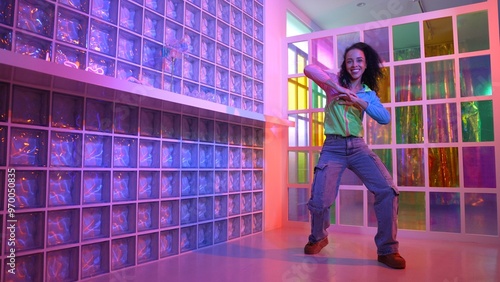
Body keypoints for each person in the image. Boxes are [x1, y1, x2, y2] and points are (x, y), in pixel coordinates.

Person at [302, 42, 406, 269]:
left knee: (387, 190)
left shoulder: (369, 93)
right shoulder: (334, 81)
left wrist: (356, 99)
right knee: (319, 199)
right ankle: (319, 237)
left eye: (359, 60)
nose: (354, 65)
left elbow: (384, 118)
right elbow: (309, 69)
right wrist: (338, 88)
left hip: (358, 148)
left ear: (365, 63)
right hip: (333, 148)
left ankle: (388, 250)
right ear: (345, 64)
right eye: (349, 60)